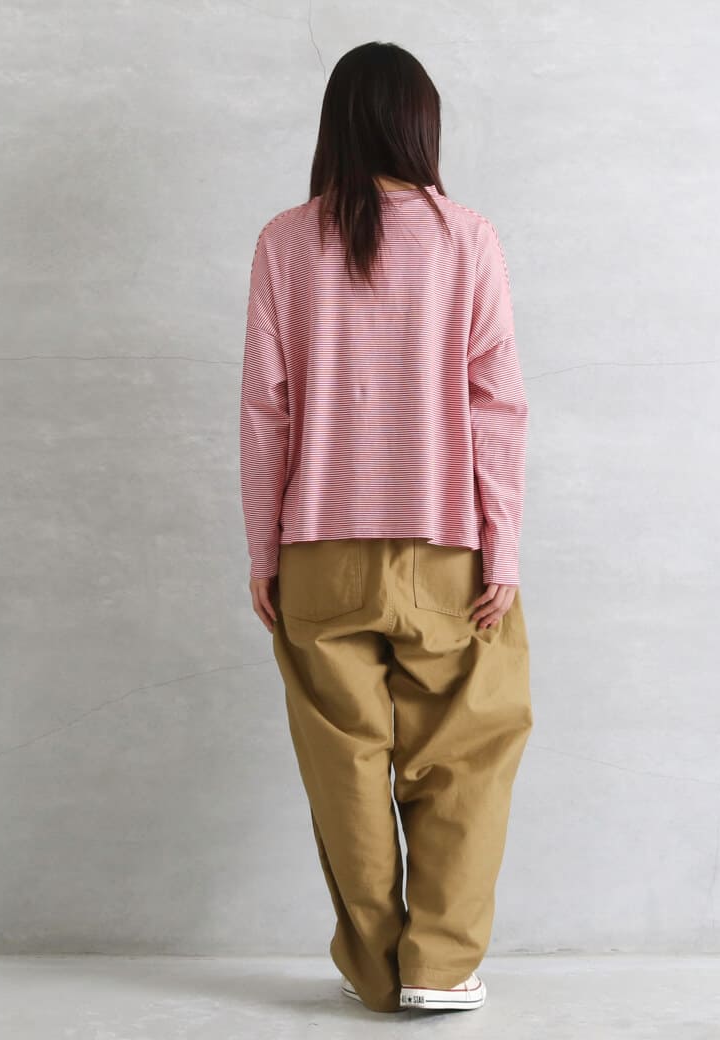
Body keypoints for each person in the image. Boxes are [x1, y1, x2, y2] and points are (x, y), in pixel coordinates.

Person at [239, 41, 533, 1015]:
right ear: (420, 125)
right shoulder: (467, 238)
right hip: (446, 544)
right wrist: (502, 545)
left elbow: (266, 409)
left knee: (345, 766)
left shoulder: (284, 241)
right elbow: (497, 405)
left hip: (316, 547)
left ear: (335, 126)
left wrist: (263, 551)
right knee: (466, 755)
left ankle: (374, 969)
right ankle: (437, 967)